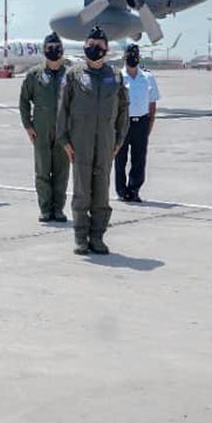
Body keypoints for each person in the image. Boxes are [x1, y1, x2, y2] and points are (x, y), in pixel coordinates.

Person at [57, 27, 129, 255]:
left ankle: (97, 237)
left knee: (101, 193)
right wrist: (65, 140)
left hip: (106, 143)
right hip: (80, 143)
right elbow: (63, 110)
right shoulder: (74, 75)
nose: (94, 49)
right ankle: (80, 237)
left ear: (107, 50)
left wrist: (118, 141)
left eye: (99, 46)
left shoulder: (115, 76)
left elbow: (123, 112)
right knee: (82, 193)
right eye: (90, 44)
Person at [20, 32, 69, 223]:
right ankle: (45, 208)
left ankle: (58, 209)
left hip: (64, 132)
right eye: (50, 48)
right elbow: (24, 101)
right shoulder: (34, 75)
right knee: (42, 171)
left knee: (61, 171)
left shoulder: (70, 75)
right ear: (44, 50)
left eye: (57, 47)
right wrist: (28, 126)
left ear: (62, 50)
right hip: (41, 130)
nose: (54, 51)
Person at [114, 43, 160, 203]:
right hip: (123, 122)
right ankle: (121, 191)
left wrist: (149, 125)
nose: (132, 58)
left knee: (139, 159)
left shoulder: (147, 77)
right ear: (124, 58)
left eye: (135, 55)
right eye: (129, 55)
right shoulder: (118, 77)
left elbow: (152, 104)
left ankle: (134, 189)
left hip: (141, 121)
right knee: (120, 158)